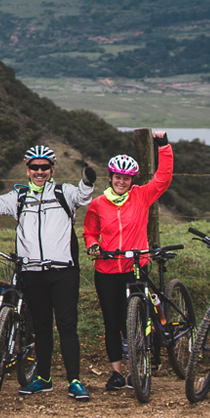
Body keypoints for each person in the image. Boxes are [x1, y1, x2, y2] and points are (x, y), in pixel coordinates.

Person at [0, 145, 95, 400]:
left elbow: (83, 197)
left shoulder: (64, 192)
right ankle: (43, 378)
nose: (39, 172)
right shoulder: (19, 196)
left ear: (52, 169)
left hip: (63, 271)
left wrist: (88, 180)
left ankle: (74, 380)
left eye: (44, 167)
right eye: (34, 167)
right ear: (27, 170)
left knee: (67, 326)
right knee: (40, 327)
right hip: (32, 272)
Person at [82, 132, 173, 390]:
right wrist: (94, 246)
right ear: (110, 177)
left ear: (132, 180)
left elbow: (163, 178)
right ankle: (116, 373)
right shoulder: (98, 204)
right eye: (117, 177)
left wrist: (163, 145)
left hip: (135, 267)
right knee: (112, 322)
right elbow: (89, 232)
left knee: (135, 323)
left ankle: (138, 369)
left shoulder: (141, 196)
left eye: (126, 178)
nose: (121, 181)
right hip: (107, 269)